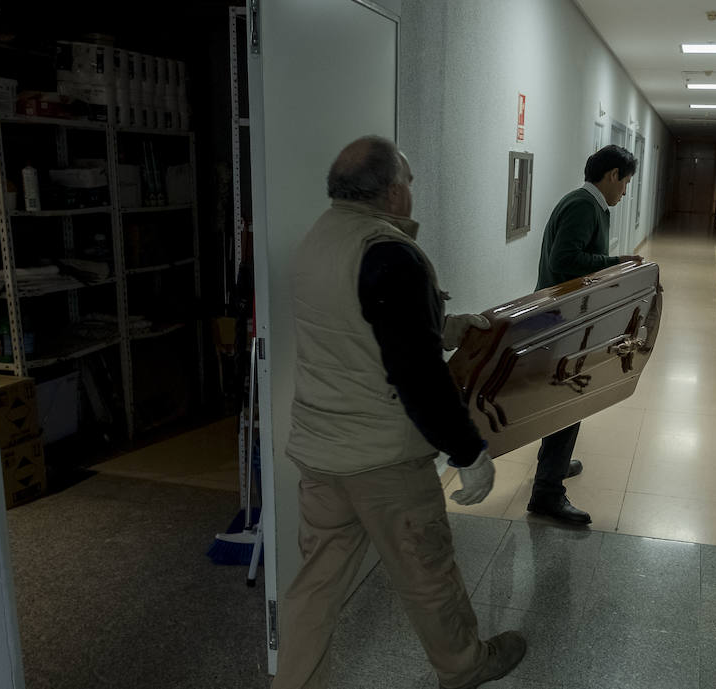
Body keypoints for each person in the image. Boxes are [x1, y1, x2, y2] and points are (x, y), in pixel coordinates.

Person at [270, 136, 526, 689]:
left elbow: (359, 329)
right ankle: (464, 666)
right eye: (408, 182)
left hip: (320, 453)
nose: (411, 192)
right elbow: (416, 375)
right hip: (384, 460)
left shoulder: (317, 239)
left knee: (314, 588)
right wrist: (468, 451)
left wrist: (448, 327)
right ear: (392, 192)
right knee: (427, 574)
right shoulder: (389, 252)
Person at [527, 144, 642, 525]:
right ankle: (547, 493)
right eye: (625, 183)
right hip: (562, 318)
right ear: (612, 175)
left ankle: (554, 466)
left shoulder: (585, 203)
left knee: (565, 398)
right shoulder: (583, 205)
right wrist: (616, 262)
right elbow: (565, 261)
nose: (624, 192)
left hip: (566, 313)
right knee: (568, 398)